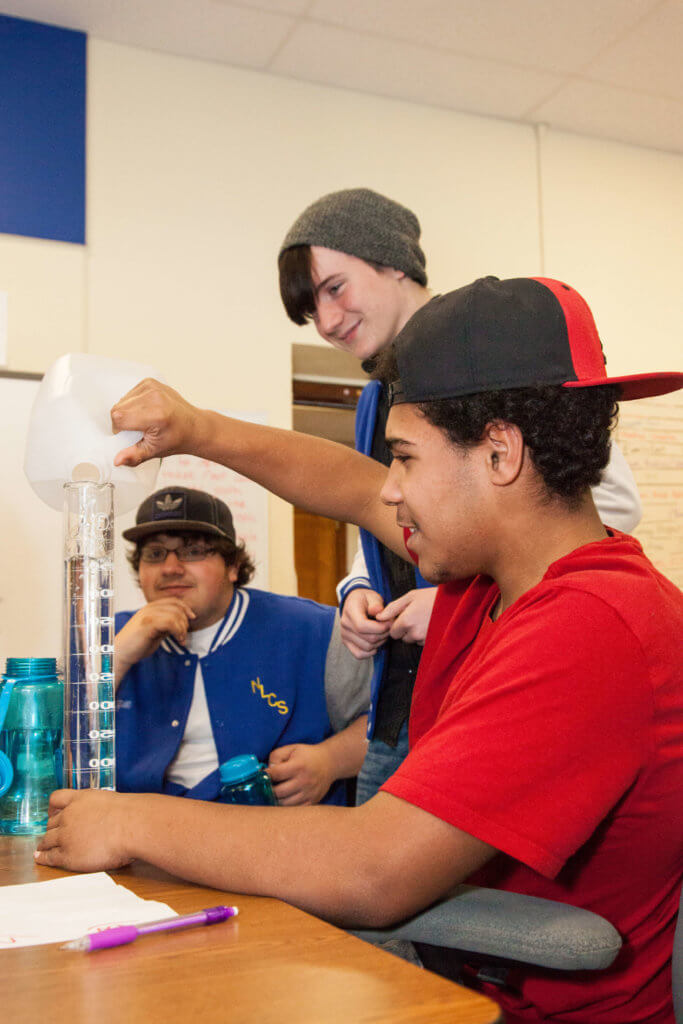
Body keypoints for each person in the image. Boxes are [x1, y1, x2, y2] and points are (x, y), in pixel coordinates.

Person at [36, 277, 683, 1023]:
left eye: (404, 458)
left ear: (499, 453)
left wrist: (127, 821)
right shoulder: (497, 582)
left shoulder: (590, 626)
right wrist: (197, 430)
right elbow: (349, 487)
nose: (391, 490)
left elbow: (375, 868)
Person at [279, 187, 643, 802]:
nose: (329, 321)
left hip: (485, 680)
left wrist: (461, 599)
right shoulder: (374, 397)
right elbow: (388, 512)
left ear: (394, 261)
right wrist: (361, 585)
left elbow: (599, 502)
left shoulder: (488, 351)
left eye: (335, 289)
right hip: (399, 702)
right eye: (311, 310)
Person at [115, 486, 370, 806]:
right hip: (142, 828)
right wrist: (117, 656)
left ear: (233, 566)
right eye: (154, 554)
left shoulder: (314, 629)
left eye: (193, 551)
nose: (170, 568)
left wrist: (330, 761)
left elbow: (394, 725)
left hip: (278, 829)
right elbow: (63, 744)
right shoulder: (113, 638)